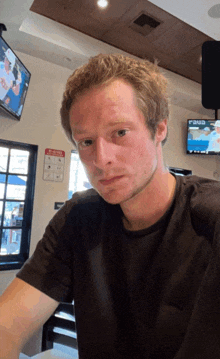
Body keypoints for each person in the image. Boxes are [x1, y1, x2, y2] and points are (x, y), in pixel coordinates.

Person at [1, 54, 220, 359]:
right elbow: (6, 328)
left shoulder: (211, 216)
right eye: (86, 142)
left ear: (159, 129)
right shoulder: (79, 218)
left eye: (120, 132)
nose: (101, 159)